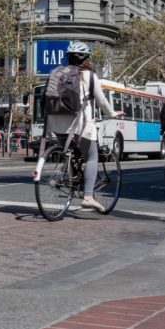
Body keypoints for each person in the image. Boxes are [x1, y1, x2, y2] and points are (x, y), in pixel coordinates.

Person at [44, 41, 124, 213]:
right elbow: (101, 101)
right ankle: (88, 196)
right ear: (86, 58)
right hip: (79, 123)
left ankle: (70, 178)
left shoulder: (56, 72)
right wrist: (112, 113)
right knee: (92, 157)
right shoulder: (89, 75)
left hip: (55, 122)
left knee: (68, 151)